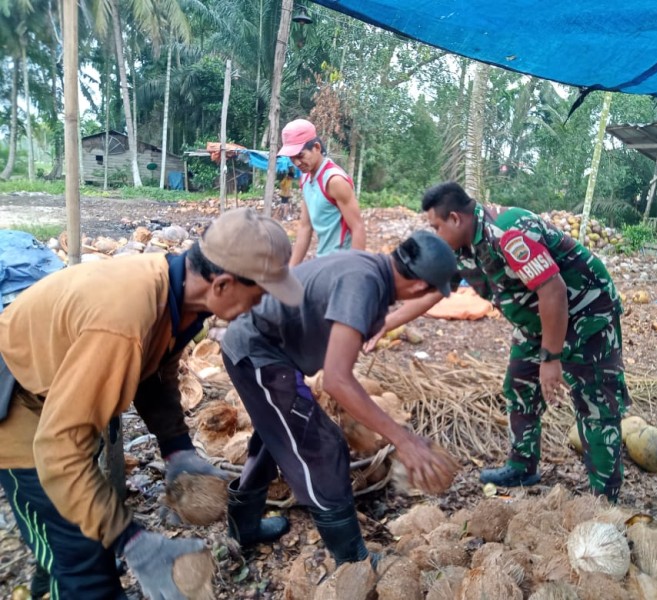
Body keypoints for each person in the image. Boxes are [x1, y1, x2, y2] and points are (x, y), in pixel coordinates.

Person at [0, 207, 302, 599]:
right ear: (224, 284)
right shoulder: (122, 322)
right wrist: (135, 541)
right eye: (260, 295)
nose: (261, 306)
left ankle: (52, 576)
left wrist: (176, 448)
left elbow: (155, 373)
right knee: (84, 557)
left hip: (59, 397)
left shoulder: (181, 297)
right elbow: (58, 450)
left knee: (77, 533)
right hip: (17, 407)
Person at [367, 182, 630, 502]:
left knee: (595, 403)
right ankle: (523, 465)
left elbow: (553, 291)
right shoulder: (459, 249)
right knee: (519, 384)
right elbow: (434, 293)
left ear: (454, 218)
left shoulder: (509, 233)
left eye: (435, 226)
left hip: (587, 314)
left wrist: (551, 358)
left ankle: (604, 499)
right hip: (536, 321)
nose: (434, 234)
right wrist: (383, 324)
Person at [220, 231, 458, 564]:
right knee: (322, 445)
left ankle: (243, 529)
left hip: (263, 351)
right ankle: (353, 559)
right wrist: (403, 439)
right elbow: (336, 380)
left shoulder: (372, 269)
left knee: (276, 436)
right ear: (420, 288)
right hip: (257, 355)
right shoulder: (363, 284)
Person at [277, 118, 366, 266]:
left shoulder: (334, 181)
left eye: (300, 155)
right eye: (292, 158)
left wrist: (356, 271)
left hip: (342, 263)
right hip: (323, 261)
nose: (297, 163)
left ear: (317, 147)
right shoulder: (305, 179)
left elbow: (357, 228)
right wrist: (291, 270)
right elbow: (305, 227)